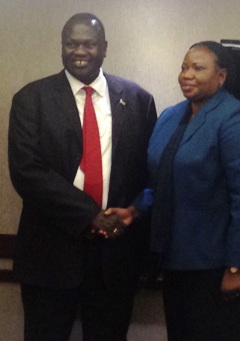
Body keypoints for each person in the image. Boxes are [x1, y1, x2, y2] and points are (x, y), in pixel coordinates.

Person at [107, 41, 240, 341]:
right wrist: (134, 210)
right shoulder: (171, 116)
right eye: (184, 67)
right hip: (178, 259)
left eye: (198, 68)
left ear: (220, 77)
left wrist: (236, 267)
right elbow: (161, 182)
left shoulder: (238, 119)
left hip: (222, 263)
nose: (187, 74)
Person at [8, 12, 157, 341]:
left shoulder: (138, 101)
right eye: (70, 43)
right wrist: (90, 215)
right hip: (49, 254)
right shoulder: (31, 100)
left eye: (88, 44)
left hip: (115, 258)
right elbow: (27, 172)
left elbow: (151, 175)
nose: (79, 51)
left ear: (104, 48)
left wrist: (134, 210)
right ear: (61, 47)